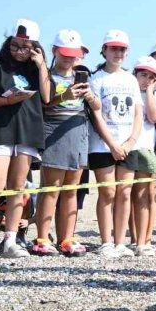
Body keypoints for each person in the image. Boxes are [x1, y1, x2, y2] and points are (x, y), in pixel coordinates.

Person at [0, 19, 51, 261]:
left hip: (28, 130)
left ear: (35, 46)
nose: (20, 51)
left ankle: (11, 240)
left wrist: (42, 65)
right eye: (15, 45)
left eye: (26, 47)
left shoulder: (37, 67)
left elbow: (46, 97)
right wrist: (7, 101)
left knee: (18, 186)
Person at [34, 30, 97, 257]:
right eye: (65, 54)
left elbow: (97, 108)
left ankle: (67, 237)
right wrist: (65, 96)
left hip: (78, 131)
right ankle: (42, 237)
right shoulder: (47, 75)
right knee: (51, 188)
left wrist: (90, 97)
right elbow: (45, 102)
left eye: (74, 54)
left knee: (71, 190)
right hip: (55, 130)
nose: (70, 58)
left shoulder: (83, 78)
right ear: (55, 51)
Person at [87, 30, 141, 258]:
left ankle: (121, 242)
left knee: (125, 192)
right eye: (114, 48)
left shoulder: (130, 79)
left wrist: (130, 141)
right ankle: (106, 241)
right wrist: (112, 144)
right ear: (105, 50)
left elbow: (139, 113)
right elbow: (96, 114)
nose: (118, 53)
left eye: (122, 49)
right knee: (108, 192)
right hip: (102, 144)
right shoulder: (95, 78)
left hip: (128, 144)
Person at [129, 56, 156, 257]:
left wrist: (150, 91)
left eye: (151, 77)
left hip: (145, 148)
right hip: (126, 147)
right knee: (127, 195)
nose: (146, 79)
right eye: (143, 74)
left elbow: (154, 117)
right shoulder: (128, 92)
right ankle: (133, 239)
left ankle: (143, 241)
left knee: (144, 196)